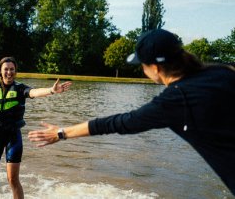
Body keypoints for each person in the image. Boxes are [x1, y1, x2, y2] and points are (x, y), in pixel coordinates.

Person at [28, 29, 235, 195]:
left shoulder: (173, 101)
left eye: (142, 65)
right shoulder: (222, 71)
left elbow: (120, 122)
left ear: (154, 68)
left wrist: (60, 133)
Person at [0, 56, 72, 199]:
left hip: (13, 138)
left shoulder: (20, 89)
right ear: (0, 71)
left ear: (15, 71)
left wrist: (51, 90)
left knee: (13, 180)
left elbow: (34, 92)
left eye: (12, 69)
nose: (9, 72)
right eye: (6, 69)